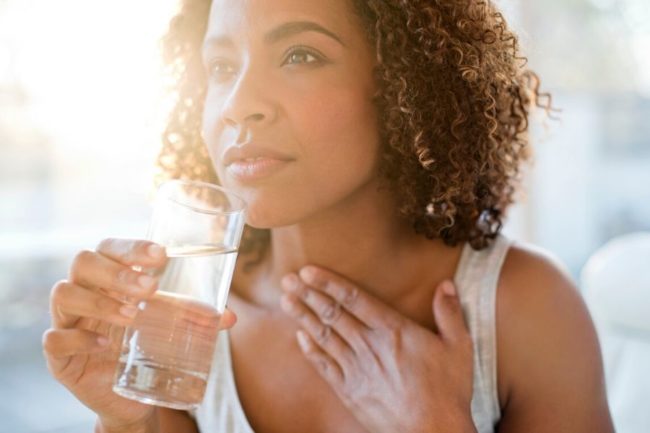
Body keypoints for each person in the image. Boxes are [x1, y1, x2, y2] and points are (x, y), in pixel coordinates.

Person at [42, 0, 616, 432]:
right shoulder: (177, 327)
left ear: (402, 85)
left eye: (300, 55)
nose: (240, 104)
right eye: (220, 67)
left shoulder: (524, 312)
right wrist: (126, 420)